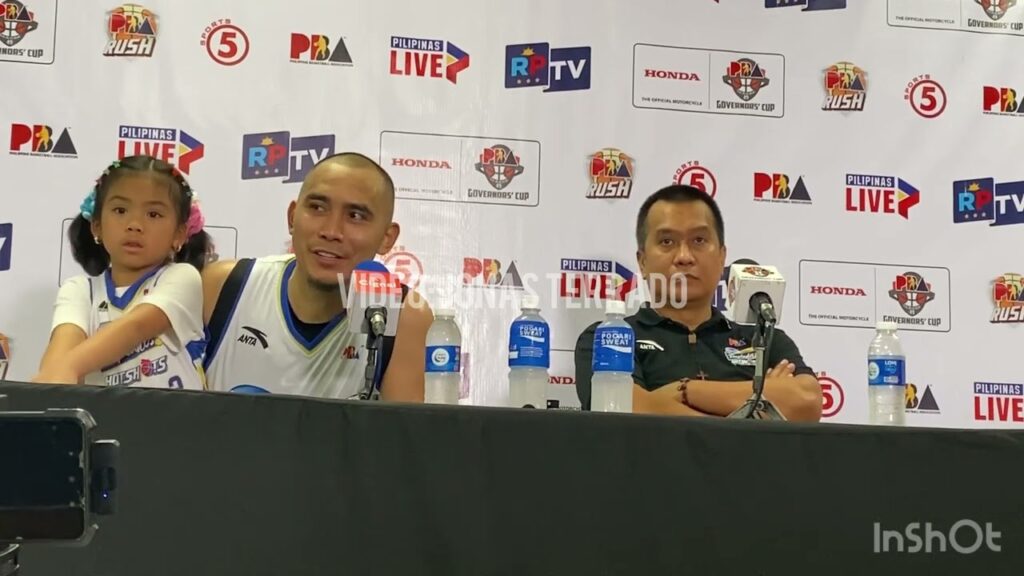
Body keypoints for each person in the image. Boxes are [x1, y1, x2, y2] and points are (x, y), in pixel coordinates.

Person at [574, 184, 822, 420]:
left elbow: (807, 401)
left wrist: (685, 390)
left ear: (722, 256)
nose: (684, 257)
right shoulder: (610, 337)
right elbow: (630, 410)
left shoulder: (765, 339)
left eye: (699, 241)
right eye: (667, 242)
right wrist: (756, 412)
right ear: (643, 262)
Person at [200, 152, 431, 401]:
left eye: (355, 216)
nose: (331, 231)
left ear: (387, 238)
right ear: (292, 217)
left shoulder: (404, 314)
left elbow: (403, 436)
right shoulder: (221, 286)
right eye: (318, 208)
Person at [34, 156, 211, 389]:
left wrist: (67, 369)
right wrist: (53, 377)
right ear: (96, 225)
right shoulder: (80, 291)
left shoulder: (182, 277)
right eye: (120, 210)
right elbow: (61, 349)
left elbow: (137, 326)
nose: (134, 224)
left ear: (179, 234)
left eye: (153, 214)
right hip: (102, 425)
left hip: (180, 424)